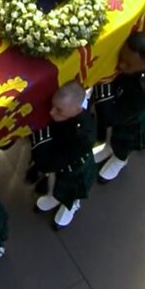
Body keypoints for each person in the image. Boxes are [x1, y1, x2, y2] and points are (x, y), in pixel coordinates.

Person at [30, 81, 97, 228]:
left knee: (71, 190)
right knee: (54, 184)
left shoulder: (83, 135)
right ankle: (53, 196)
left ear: (77, 110)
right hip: (58, 157)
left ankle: (71, 205)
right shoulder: (65, 115)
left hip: (74, 167)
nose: (52, 112)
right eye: (53, 106)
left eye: (59, 110)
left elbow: (49, 164)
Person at [94, 32, 145, 182]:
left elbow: (110, 117)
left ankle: (120, 159)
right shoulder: (122, 66)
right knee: (112, 135)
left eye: (128, 64)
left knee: (123, 143)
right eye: (122, 59)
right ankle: (108, 147)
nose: (121, 65)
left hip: (130, 119)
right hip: (117, 103)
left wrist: (102, 85)